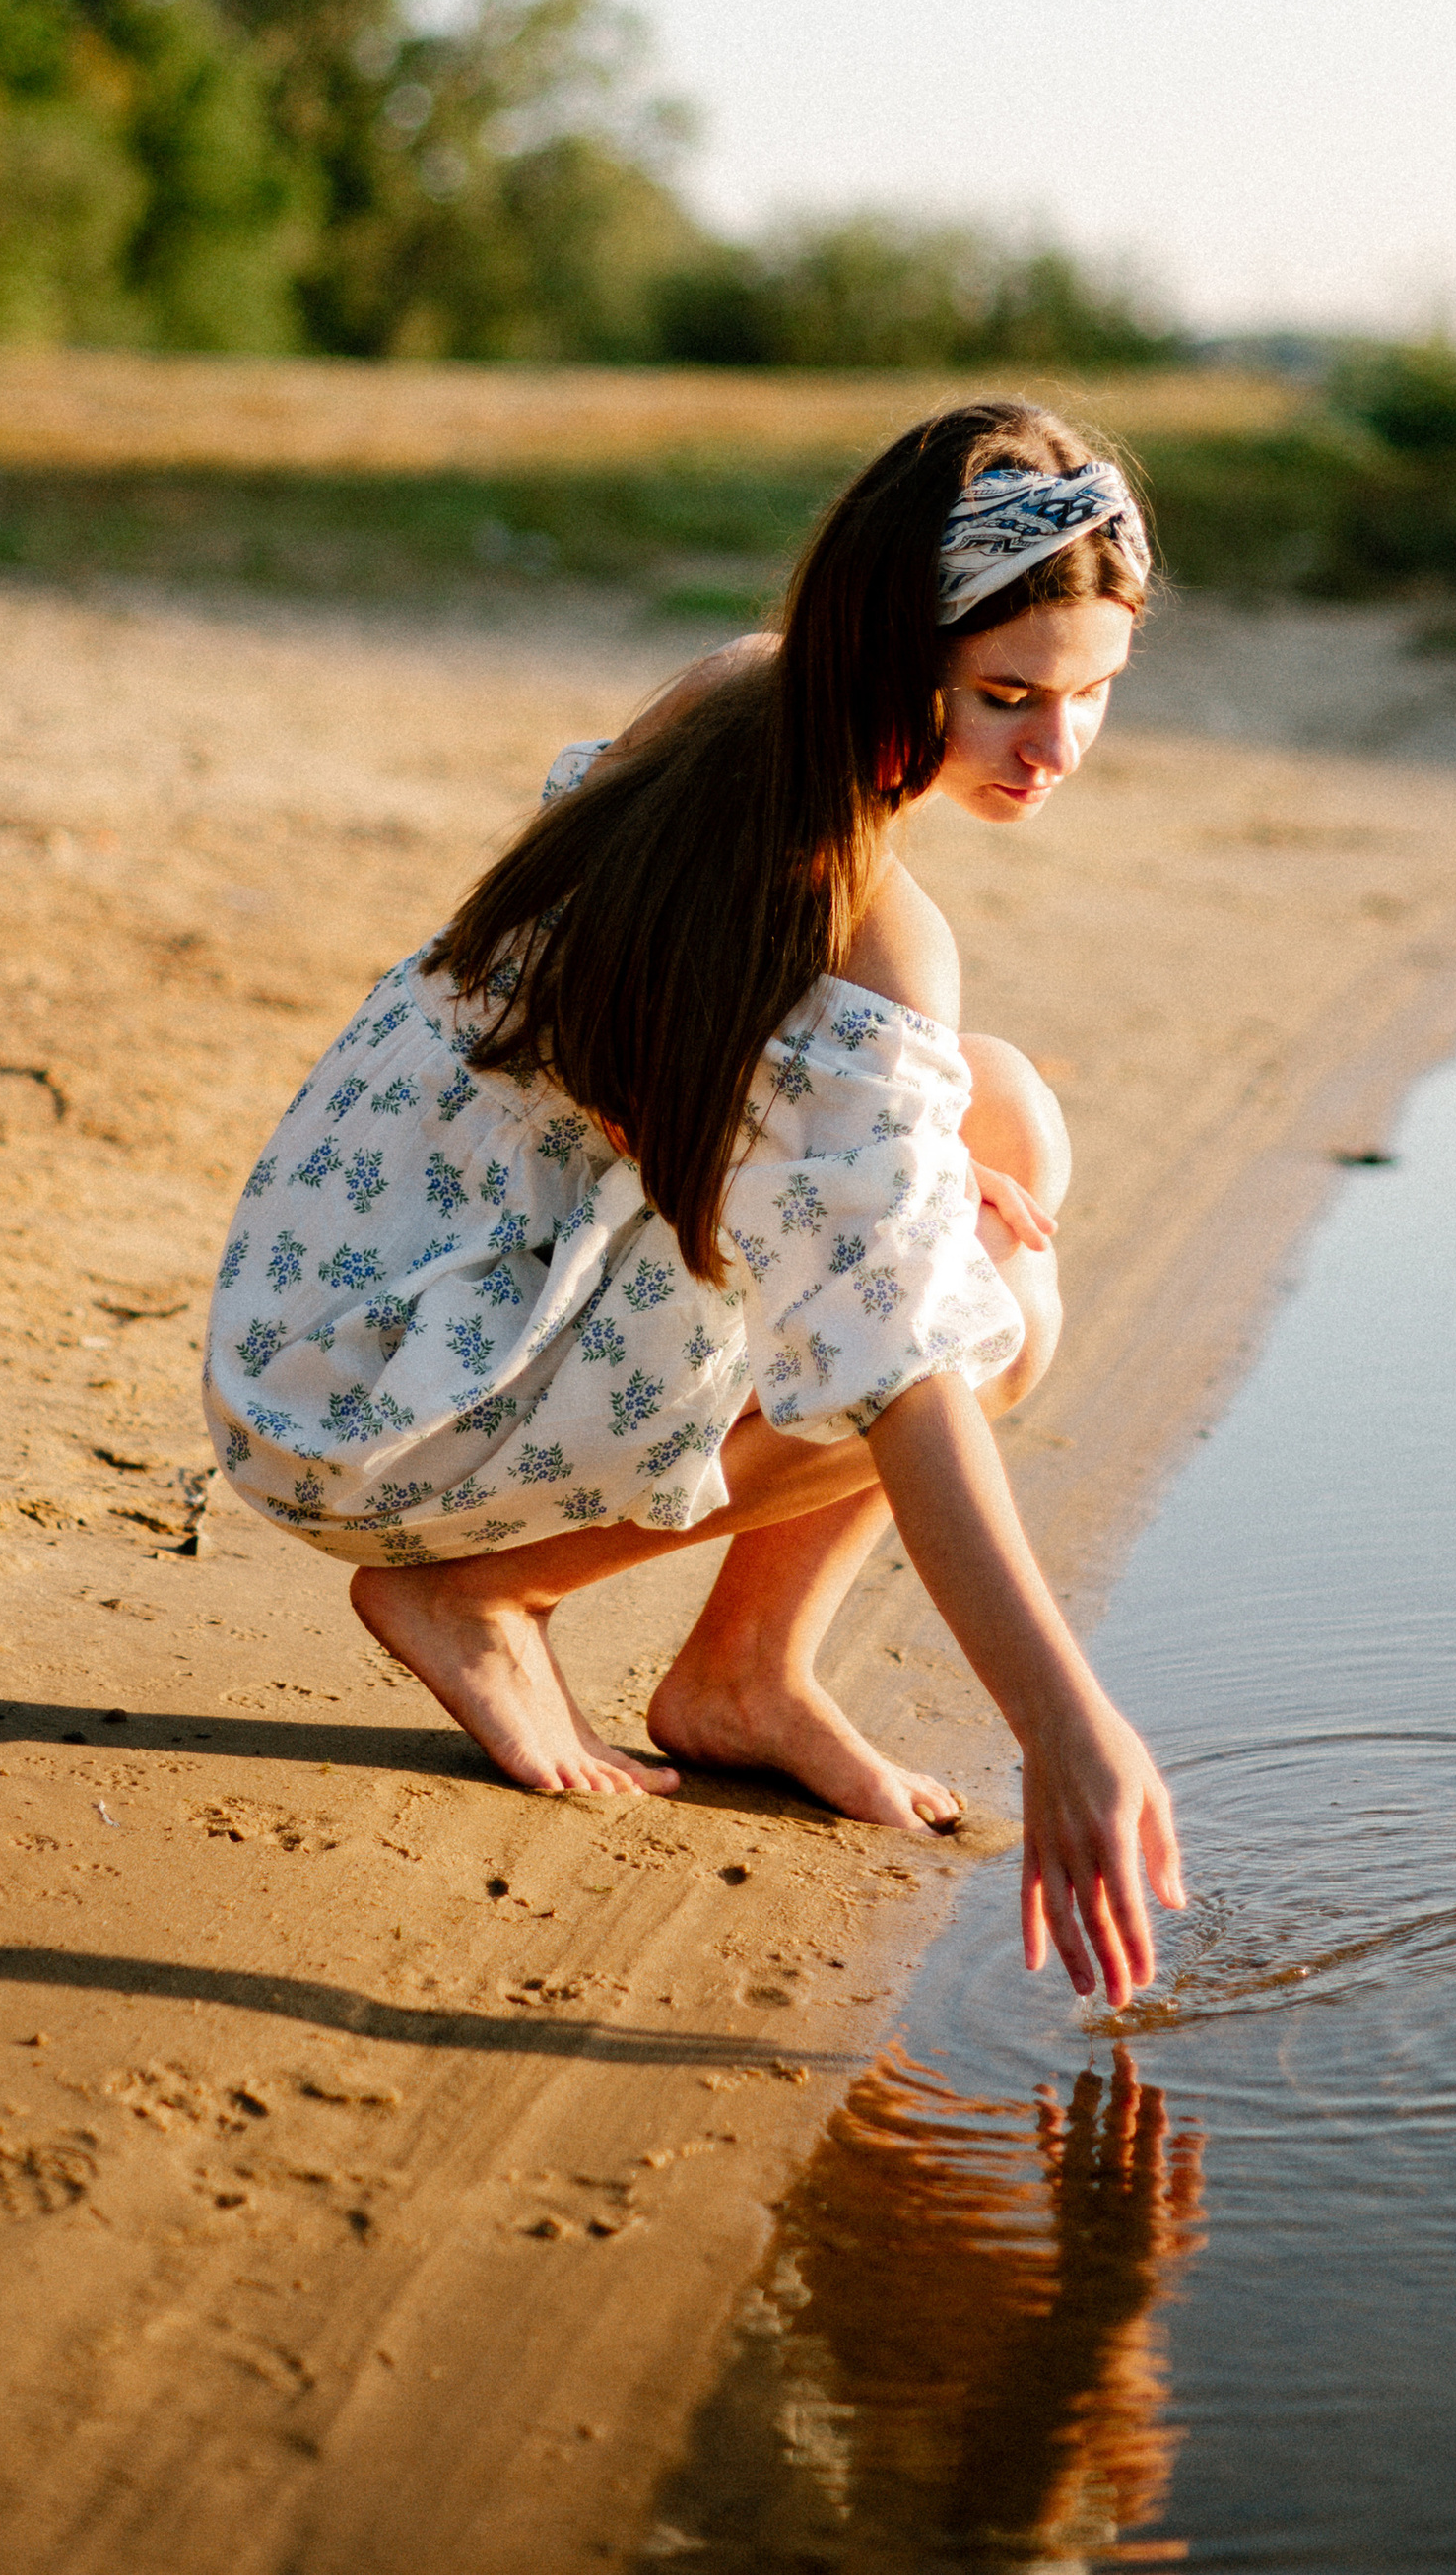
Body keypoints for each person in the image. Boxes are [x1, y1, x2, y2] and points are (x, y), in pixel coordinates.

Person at [203, 399, 1186, 2002]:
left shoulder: (740, 685)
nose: (1054, 747)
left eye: (1094, 694)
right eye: (1007, 695)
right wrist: (1071, 1726)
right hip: (381, 1387)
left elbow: (613, 1036)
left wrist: (900, 1178)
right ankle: (474, 1590)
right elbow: (902, 1371)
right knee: (996, 1314)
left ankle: (745, 1672)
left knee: (999, 1114)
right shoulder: (872, 922)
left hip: (338, 1281)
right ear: (892, 654)